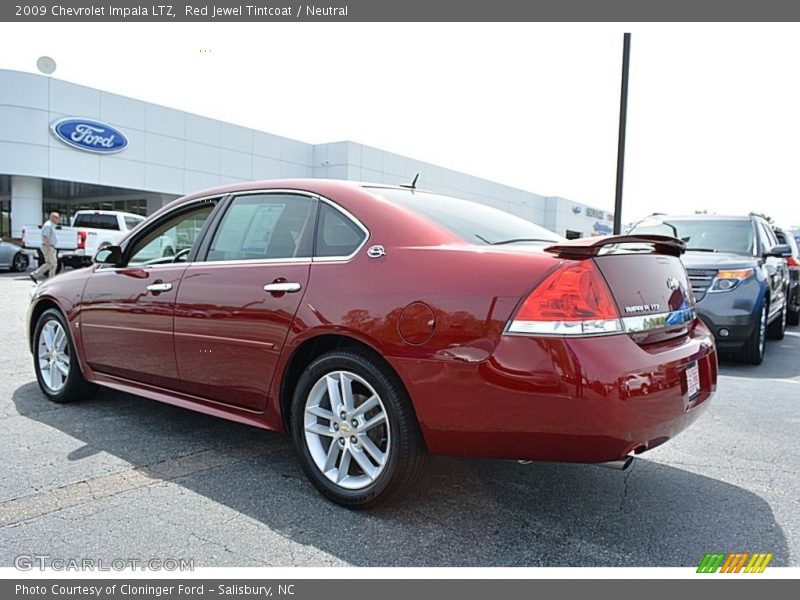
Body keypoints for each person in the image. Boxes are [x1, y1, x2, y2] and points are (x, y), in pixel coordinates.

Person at [31, 212, 60, 282]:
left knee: (54, 264)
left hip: (51, 247)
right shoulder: (48, 225)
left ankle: (51, 280)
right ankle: (35, 274)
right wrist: (49, 248)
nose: (58, 219)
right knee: (50, 263)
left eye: (58, 218)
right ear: (52, 217)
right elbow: (45, 237)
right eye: (56, 218)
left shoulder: (52, 226)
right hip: (47, 247)